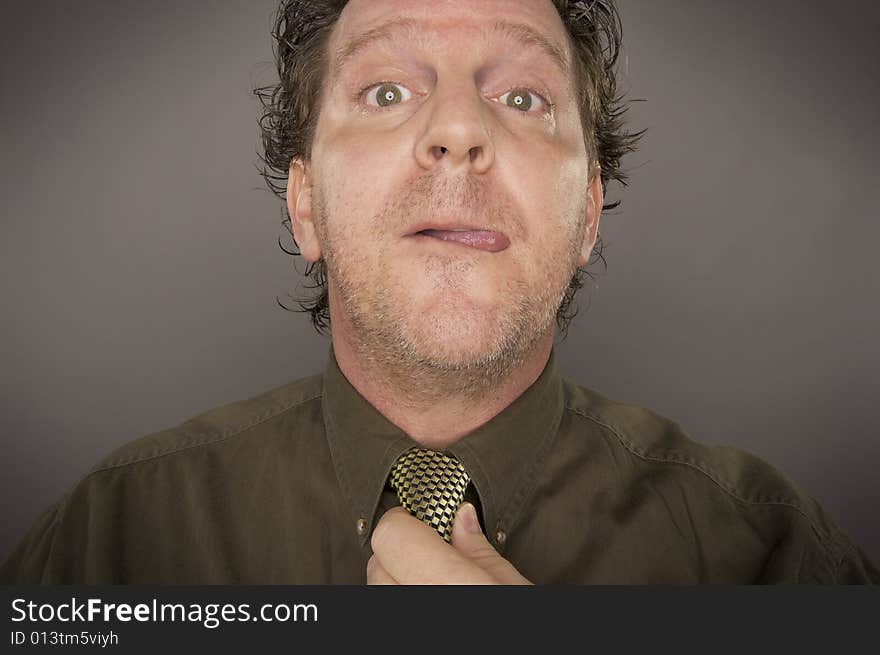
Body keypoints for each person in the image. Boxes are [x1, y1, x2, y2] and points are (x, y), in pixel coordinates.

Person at [2, 0, 877, 585]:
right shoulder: (107, 541)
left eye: (524, 96)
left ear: (586, 216)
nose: (458, 131)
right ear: (305, 205)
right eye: (386, 91)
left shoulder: (769, 555)